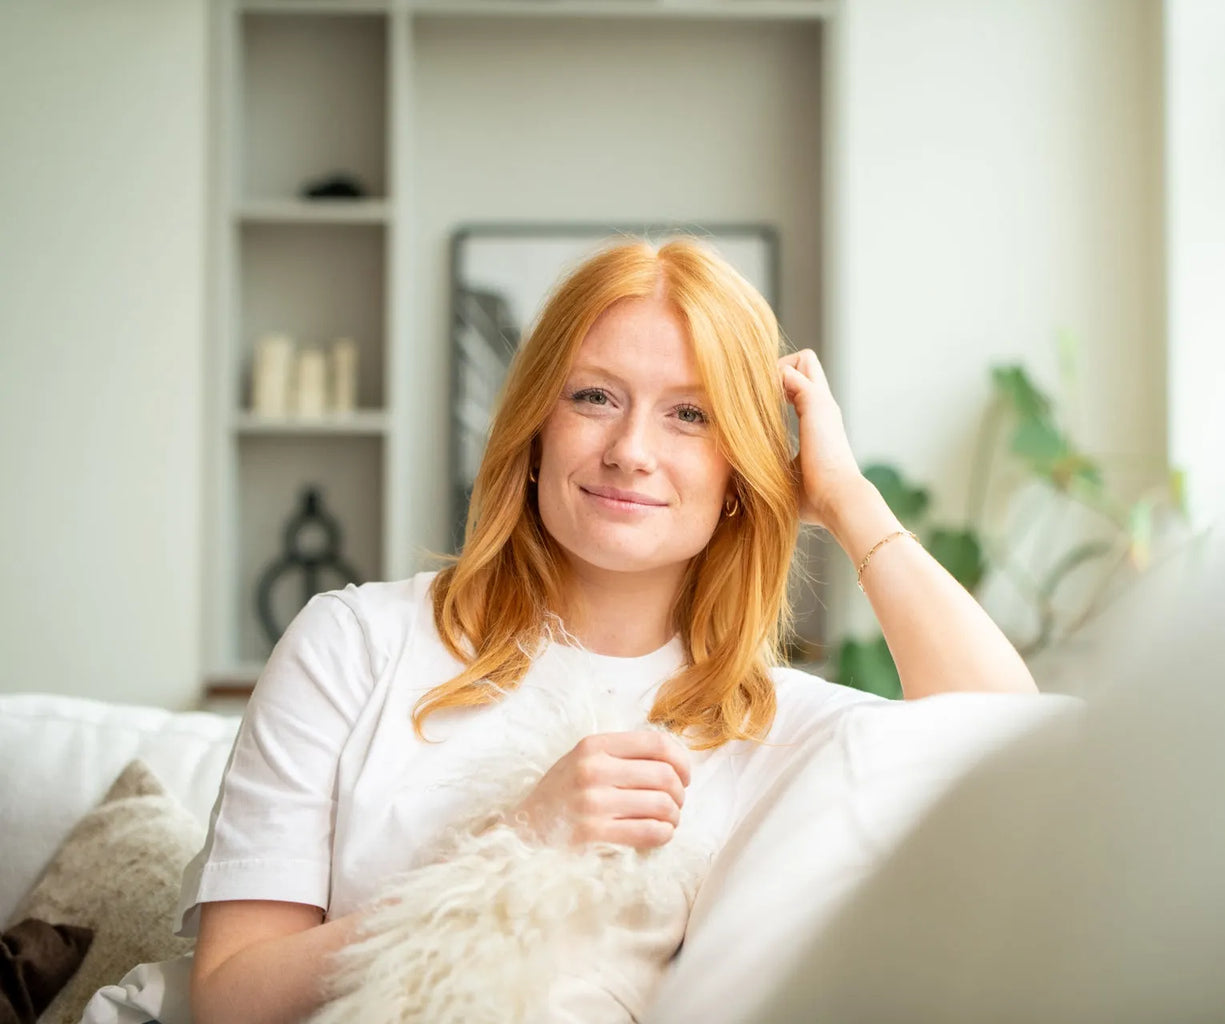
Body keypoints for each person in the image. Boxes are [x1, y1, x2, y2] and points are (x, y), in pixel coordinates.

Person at [179, 237, 1037, 1024]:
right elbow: (229, 998)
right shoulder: (355, 642)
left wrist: (847, 501)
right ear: (537, 428)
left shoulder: (771, 723)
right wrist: (514, 845)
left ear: (739, 467)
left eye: (690, 415)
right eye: (594, 397)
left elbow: (1012, 741)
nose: (631, 449)